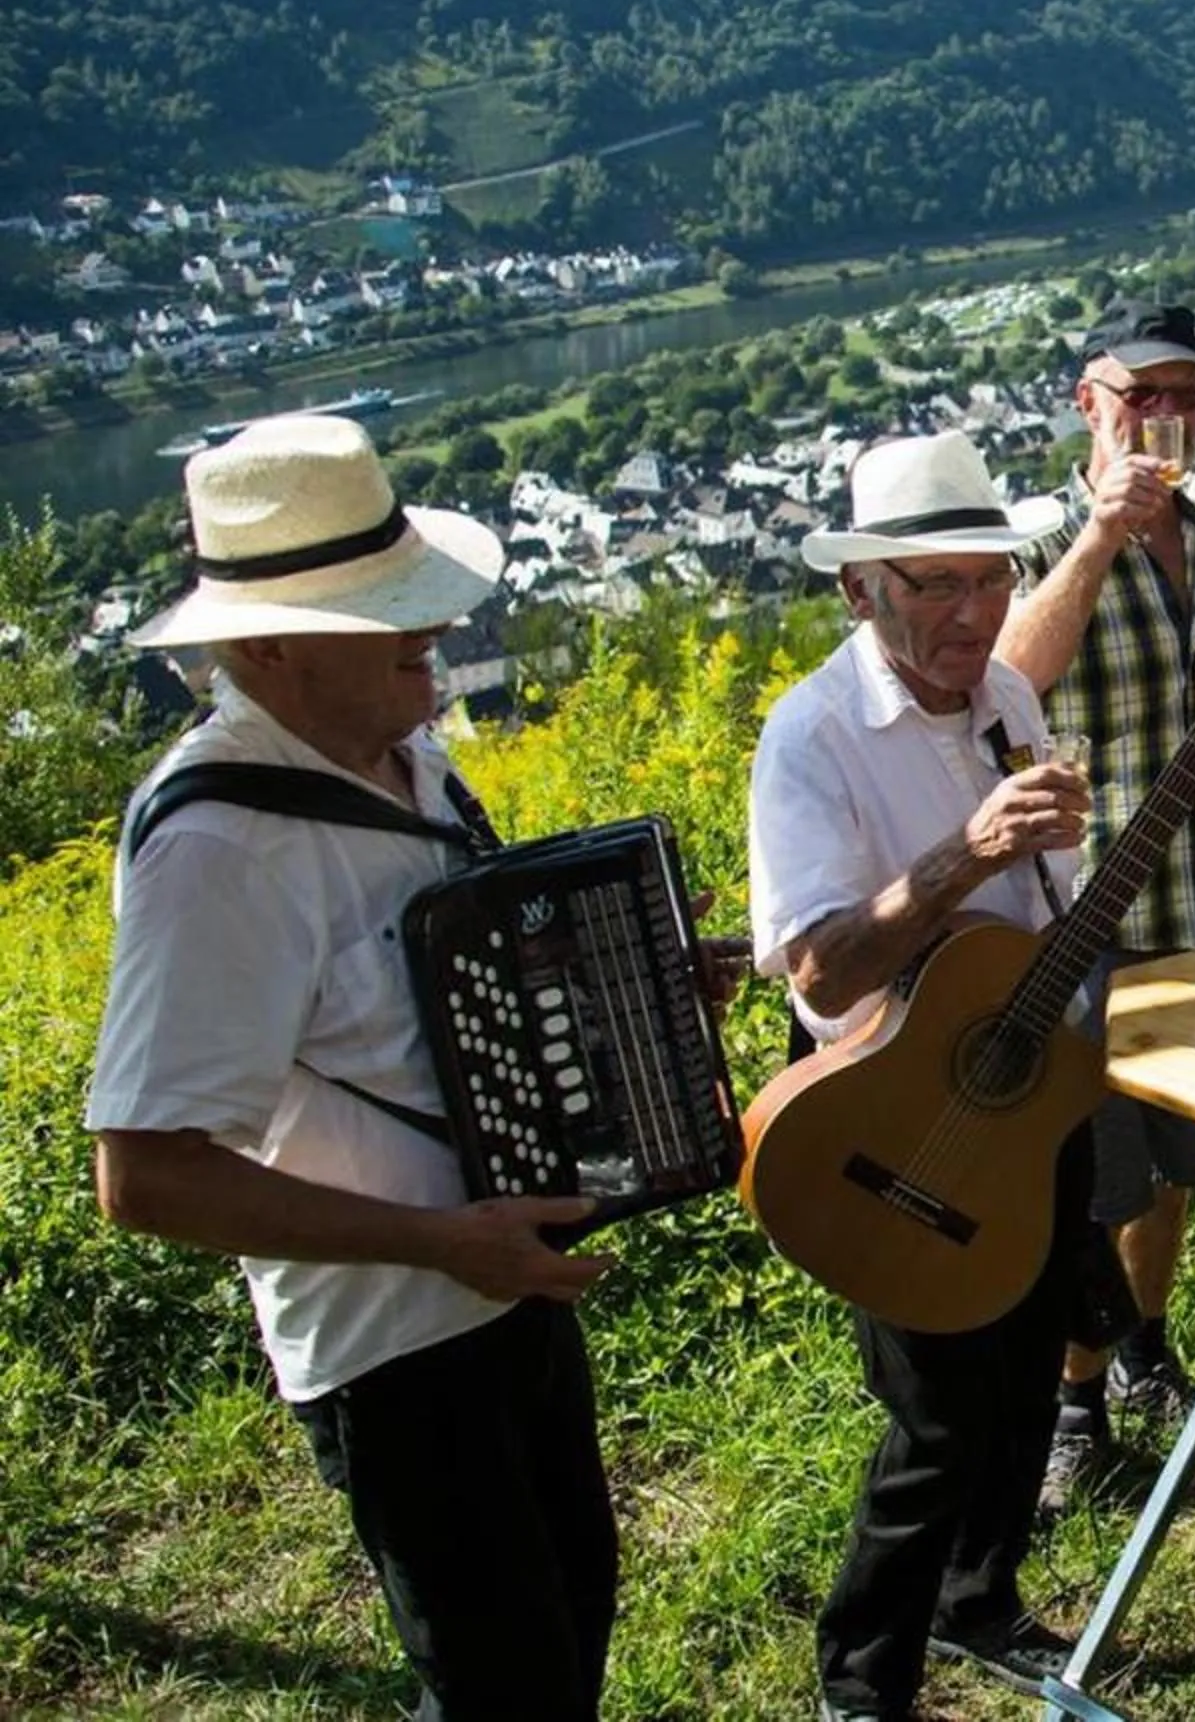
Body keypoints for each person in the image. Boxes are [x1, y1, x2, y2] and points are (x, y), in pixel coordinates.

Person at [84, 415, 619, 1719]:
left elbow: (429, 997)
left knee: (572, 1617)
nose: (428, 628)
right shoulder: (219, 847)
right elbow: (145, 1173)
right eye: (381, 609)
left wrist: (631, 984)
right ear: (265, 644)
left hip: (502, 1279)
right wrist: (442, 1243)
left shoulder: (397, 750)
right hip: (398, 1344)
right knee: (504, 1684)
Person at [747, 432, 1094, 1721]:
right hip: (891, 1106)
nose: (972, 611)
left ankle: (980, 1597)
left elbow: (1035, 903)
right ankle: (862, 1678)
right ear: (861, 590)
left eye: (991, 577)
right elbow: (823, 972)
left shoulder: (1005, 696)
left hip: (1016, 1072)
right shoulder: (813, 734)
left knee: (1027, 1362)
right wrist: (963, 854)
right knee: (939, 1411)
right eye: (935, 584)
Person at [999, 301, 1195, 1509]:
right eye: (1140, 394)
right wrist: (1103, 532)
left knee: (1173, 1170)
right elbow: (1013, 678)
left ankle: (1144, 1347)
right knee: (1087, 1177)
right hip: (1089, 924)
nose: (1166, 418)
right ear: (1087, 402)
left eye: (1186, 397)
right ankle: (1073, 1406)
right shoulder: (1038, 545)